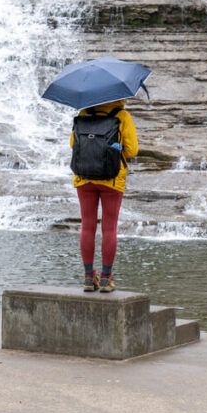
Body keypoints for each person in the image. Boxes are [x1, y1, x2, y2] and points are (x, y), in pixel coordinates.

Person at [69, 99, 138, 293]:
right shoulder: (122, 116)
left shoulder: (84, 114)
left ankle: (89, 278)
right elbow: (132, 150)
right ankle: (107, 279)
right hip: (112, 179)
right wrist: (116, 147)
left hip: (84, 178)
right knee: (109, 227)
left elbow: (73, 144)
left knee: (87, 227)